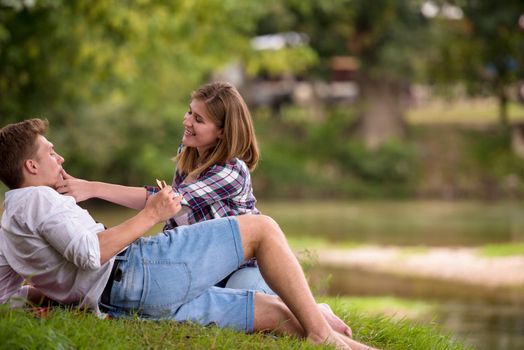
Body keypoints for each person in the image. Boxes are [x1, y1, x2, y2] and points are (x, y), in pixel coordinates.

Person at [0, 118, 376, 350]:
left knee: (277, 312)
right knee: (263, 228)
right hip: (136, 273)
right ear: (31, 165)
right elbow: (89, 253)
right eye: (51, 152)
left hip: (125, 298)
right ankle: (319, 331)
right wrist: (151, 214)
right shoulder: (37, 200)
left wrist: (48, 296)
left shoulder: (13, 212)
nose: (60, 158)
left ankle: (333, 334)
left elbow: (6, 289)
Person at [56, 81, 270, 293]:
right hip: (204, 265)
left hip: (239, 268)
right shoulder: (190, 153)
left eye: (198, 119)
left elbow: (169, 202)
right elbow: (166, 205)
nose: (187, 121)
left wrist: (93, 188)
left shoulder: (231, 171)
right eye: (189, 112)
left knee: (244, 296)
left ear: (222, 132)